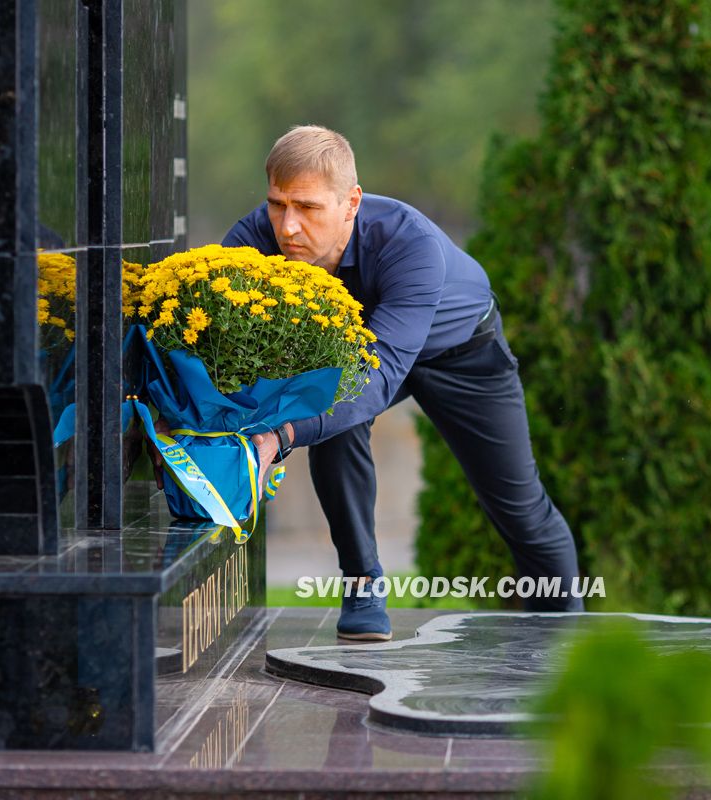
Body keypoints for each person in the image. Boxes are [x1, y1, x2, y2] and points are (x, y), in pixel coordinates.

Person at [224, 125, 583, 641]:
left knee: (519, 506)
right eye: (278, 204)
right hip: (360, 356)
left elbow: (374, 377)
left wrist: (280, 436)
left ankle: (565, 630)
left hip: (462, 354)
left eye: (307, 207)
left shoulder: (407, 243)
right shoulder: (255, 239)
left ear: (351, 203)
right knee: (335, 426)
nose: (288, 226)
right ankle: (363, 588)